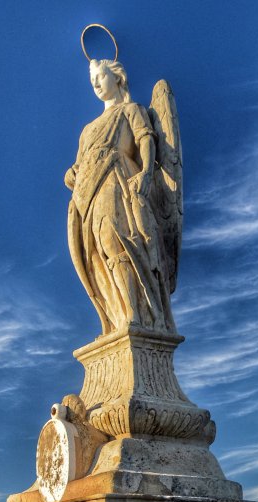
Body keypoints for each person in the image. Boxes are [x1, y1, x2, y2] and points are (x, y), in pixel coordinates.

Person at [65, 57, 180, 337]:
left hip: (116, 181)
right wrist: (72, 174)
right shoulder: (87, 130)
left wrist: (146, 174)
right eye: (92, 81)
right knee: (95, 254)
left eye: (100, 77)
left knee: (115, 241)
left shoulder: (131, 110)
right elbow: (80, 164)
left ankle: (134, 314)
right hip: (87, 193)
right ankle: (116, 318)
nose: (95, 84)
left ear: (117, 78)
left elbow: (145, 140)